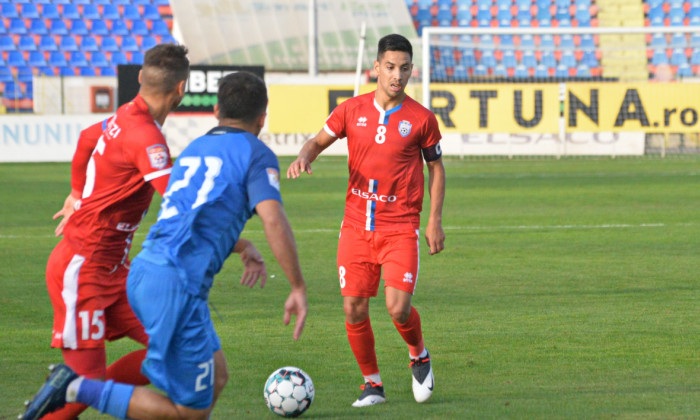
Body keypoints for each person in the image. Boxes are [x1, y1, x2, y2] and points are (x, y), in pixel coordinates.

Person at [22, 71, 308, 420]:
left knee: (217, 373)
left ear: (216, 109)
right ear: (263, 118)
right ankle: (76, 387)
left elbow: (188, 217)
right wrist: (296, 286)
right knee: (188, 413)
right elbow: (274, 219)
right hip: (175, 283)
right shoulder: (256, 153)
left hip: (143, 270)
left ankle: (83, 387)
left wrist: (241, 245)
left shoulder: (192, 149)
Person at [287, 33, 445, 407]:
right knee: (353, 308)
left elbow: (436, 168)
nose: (397, 76)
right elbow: (317, 141)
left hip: (400, 227)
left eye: (404, 69)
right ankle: (372, 384)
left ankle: (418, 354)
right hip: (356, 227)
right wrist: (305, 156)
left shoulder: (421, 119)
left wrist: (434, 220)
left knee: (397, 308)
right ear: (376, 67)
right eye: (390, 67)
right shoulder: (350, 110)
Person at [34, 43, 191, 420]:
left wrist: (76, 192)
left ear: (140, 78)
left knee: (177, 347)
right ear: (181, 89)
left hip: (115, 271)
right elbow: (176, 204)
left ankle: (78, 386)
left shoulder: (125, 114)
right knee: (82, 387)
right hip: (82, 270)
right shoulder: (147, 136)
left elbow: (87, 138)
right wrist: (234, 240)